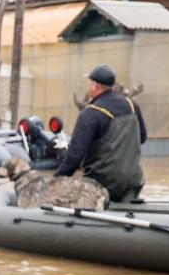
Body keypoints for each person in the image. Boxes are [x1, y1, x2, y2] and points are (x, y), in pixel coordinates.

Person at [55, 64, 146, 203]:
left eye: (88, 83)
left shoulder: (90, 113)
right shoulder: (132, 105)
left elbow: (74, 158)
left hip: (100, 186)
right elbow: (142, 138)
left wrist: (54, 183)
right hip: (133, 183)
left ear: (95, 86)